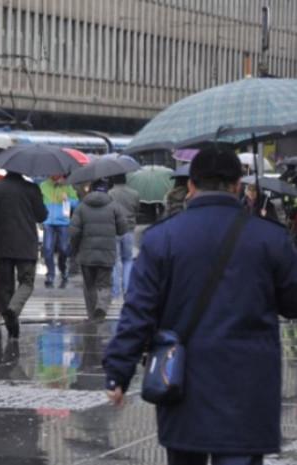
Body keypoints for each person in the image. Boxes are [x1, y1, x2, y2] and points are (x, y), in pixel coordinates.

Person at [103, 147, 297, 465]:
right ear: (237, 185)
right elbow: (292, 303)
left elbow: (139, 311)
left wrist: (118, 372)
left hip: (181, 381)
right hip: (247, 387)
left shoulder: (161, 238)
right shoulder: (269, 238)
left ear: (191, 185)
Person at [0, 171, 48, 339]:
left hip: (3, 244)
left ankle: (11, 325)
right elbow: (42, 215)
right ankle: (13, 310)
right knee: (26, 282)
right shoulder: (32, 188)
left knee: (5, 286)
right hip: (26, 244)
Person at [69, 178, 127, 321]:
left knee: (89, 286)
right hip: (106, 253)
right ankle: (101, 306)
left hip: (86, 254)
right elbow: (123, 229)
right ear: (106, 189)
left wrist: (75, 249)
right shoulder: (114, 206)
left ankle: (91, 314)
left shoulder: (81, 206)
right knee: (105, 284)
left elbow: (73, 232)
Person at [39, 175, 78, 288]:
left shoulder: (67, 186)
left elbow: (76, 203)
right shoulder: (43, 185)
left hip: (63, 222)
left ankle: (63, 268)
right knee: (47, 248)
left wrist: (68, 199)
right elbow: (39, 203)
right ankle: (50, 274)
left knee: (64, 248)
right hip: (48, 222)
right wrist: (41, 218)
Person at [108, 174, 140, 297]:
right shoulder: (134, 193)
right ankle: (127, 290)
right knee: (128, 259)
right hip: (129, 228)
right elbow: (137, 209)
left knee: (115, 261)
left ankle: (115, 292)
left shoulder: (110, 194)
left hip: (114, 229)